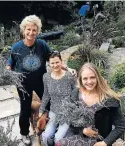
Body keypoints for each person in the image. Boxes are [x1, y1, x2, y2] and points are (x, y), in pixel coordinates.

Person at [6, 15, 76, 145]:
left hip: (40, 81)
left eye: (34, 30)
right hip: (23, 83)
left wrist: (67, 68)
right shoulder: (16, 47)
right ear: (23, 30)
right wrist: (8, 68)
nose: (31, 33)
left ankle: (53, 126)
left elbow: (53, 58)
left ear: (37, 31)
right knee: (25, 108)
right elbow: (10, 60)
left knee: (50, 103)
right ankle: (24, 134)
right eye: (28, 29)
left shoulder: (42, 45)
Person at [56, 63, 125, 146]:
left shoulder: (109, 100)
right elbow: (70, 120)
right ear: (80, 80)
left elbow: (121, 126)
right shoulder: (76, 94)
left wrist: (105, 143)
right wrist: (83, 130)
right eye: (85, 78)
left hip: (98, 141)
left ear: (98, 78)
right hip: (77, 136)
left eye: (92, 77)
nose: (89, 81)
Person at [39, 51, 76, 146]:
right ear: (49, 64)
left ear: (61, 62)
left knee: (58, 139)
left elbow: (75, 94)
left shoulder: (69, 76)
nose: (55, 65)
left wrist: (75, 111)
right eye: (52, 63)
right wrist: (41, 110)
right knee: (46, 137)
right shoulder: (46, 77)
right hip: (54, 111)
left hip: (67, 112)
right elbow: (46, 95)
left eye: (57, 62)